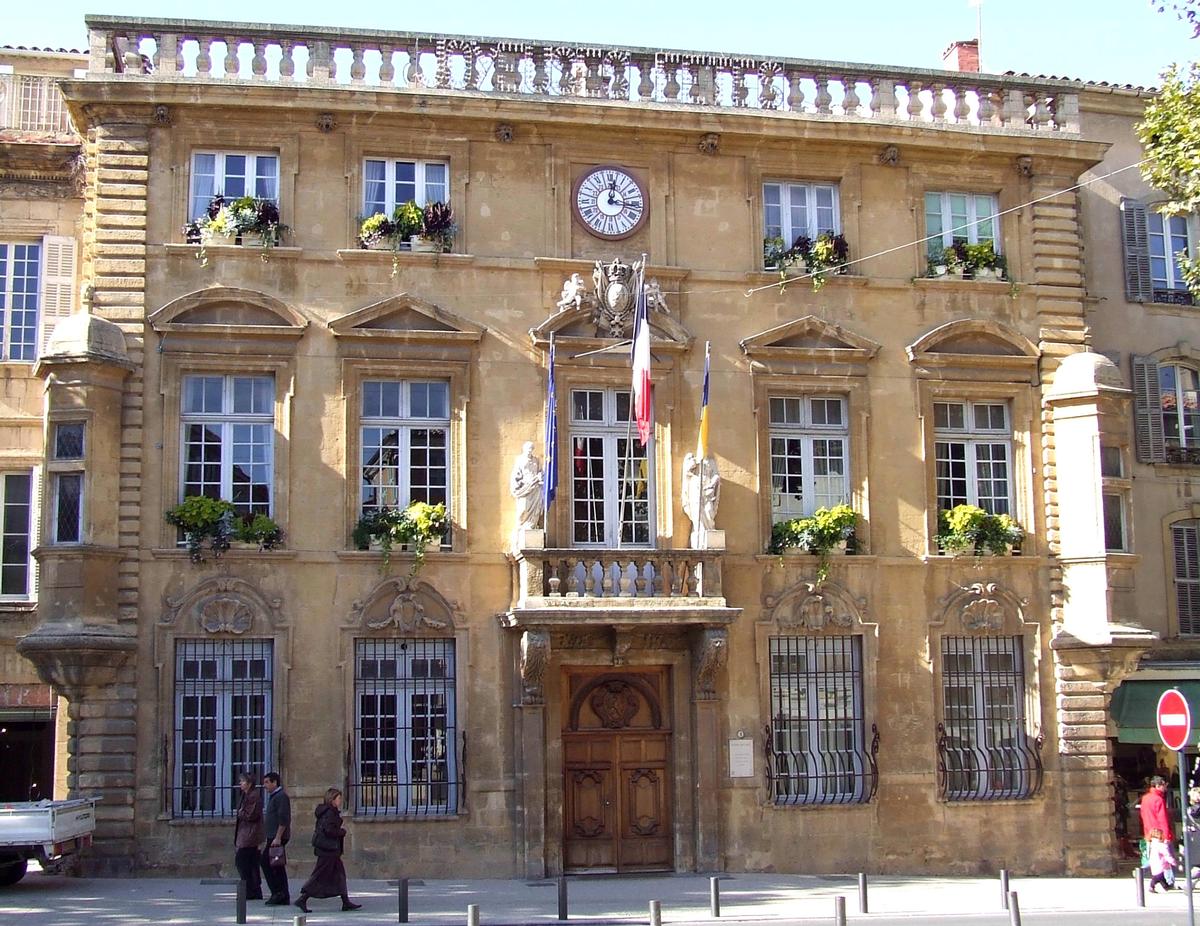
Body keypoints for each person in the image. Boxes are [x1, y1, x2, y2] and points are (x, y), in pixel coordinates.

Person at [295, 788, 361, 913]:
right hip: (328, 850)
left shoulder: (329, 811)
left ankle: (345, 901)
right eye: (338, 798)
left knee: (340, 875)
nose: (340, 801)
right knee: (320, 875)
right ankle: (303, 898)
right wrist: (342, 832)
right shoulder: (329, 812)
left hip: (330, 850)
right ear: (332, 800)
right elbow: (328, 830)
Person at [259, 771, 292, 906]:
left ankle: (278, 893)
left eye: (267, 782)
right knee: (277, 866)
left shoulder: (281, 797)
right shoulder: (275, 797)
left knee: (267, 862)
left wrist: (278, 837)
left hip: (277, 838)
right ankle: (281, 894)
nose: (265, 785)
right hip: (272, 837)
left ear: (275, 782)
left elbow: (283, 818)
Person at [508, 441, 544, 553]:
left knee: (535, 510)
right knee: (524, 509)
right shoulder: (520, 460)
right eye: (528, 449)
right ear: (524, 449)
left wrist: (539, 477)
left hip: (535, 486)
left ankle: (532, 525)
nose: (530, 451)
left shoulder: (536, 460)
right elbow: (516, 475)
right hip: (525, 487)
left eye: (531, 449)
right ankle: (522, 527)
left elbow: (540, 472)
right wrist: (521, 483)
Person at [233, 772, 264, 900]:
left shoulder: (253, 796)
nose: (240, 783)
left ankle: (251, 890)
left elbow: (251, 815)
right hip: (246, 833)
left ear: (249, 783)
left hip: (250, 834)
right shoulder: (246, 795)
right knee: (249, 863)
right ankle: (252, 890)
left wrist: (240, 813)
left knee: (243, 861)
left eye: (243, 781)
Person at [1140, 775, 1174, 849]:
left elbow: (1143, 815)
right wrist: (1166, 836)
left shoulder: (1145, 798)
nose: (1165, 788)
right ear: (1158, 786)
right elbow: (1163, 819)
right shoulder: (1159, 799)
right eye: (1164, 785)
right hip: (1160, 835)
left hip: (1149, 833)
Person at [1147, 828, 1177, 892]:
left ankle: (1165, 886)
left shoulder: (1153, 843)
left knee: (1161, 875)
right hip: (1160, 863)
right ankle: (1151, 886)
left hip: (1154, 862)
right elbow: (1166, 854)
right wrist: (1173, 861)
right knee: (1158, 876)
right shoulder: (1160, 845)